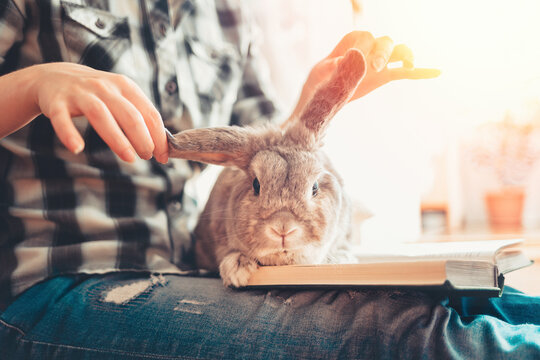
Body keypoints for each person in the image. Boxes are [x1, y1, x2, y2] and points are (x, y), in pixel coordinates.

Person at [0, 1, 538, 359]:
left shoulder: (225, 13)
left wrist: (314, 100)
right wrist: (34, 83)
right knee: (418, 339)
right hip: (63, 283)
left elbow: (268, 153)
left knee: (484, 303)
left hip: (198, 270)